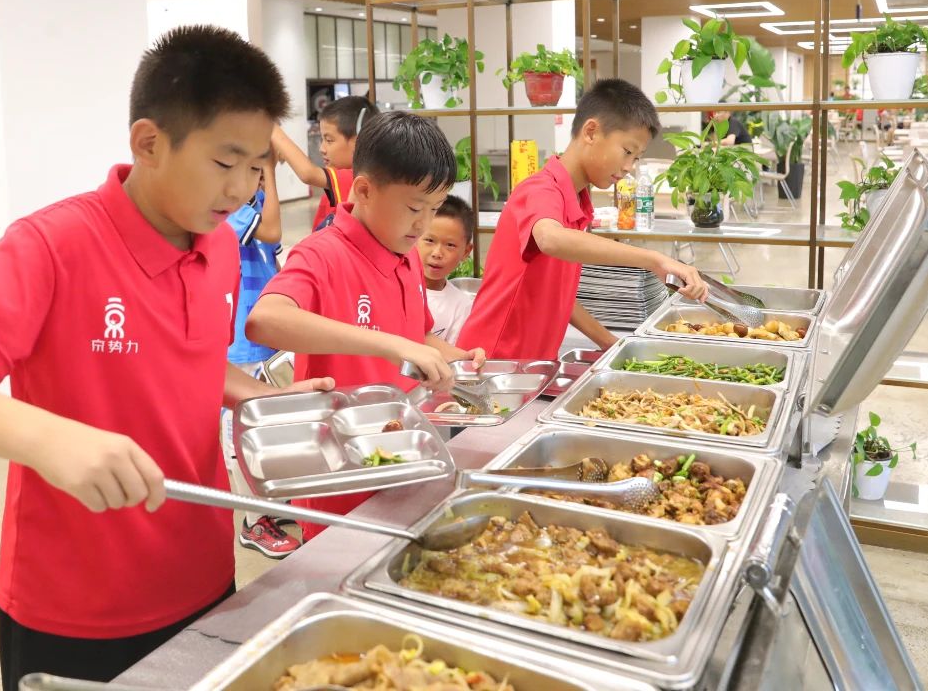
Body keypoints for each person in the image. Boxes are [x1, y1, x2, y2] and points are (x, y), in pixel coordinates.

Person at [0, 25, 332, 691]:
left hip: (201, 571)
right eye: (225, 164)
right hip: (76, 603)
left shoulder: (220, 245)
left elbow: (191, 359)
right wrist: (48, 438)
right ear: (149, 142)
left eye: (257, 167)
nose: (242, 189)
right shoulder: (53, 245)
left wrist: (259, 395)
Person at [246, 113, 486, 539]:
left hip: (403, 460)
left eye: (433, 209)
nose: (423, 225)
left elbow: (416, 335)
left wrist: (457, 359)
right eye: (414, 208)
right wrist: (389, 344)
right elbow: (265, 321)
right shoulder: (322, 254)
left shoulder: (406, 255)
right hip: (341, 480)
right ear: (363, 190)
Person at [457, 78, 708, 360]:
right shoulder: (540, 189)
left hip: (532, 364)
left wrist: (609, 342)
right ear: (590, 132)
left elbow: (558, 296)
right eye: (627, 151)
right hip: (489, 359)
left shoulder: (578, 202)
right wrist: (654, 260)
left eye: (637, 158)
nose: (629, 167)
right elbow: (550, 238)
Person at [221, 155, 300, 558]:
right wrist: (268, 167)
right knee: (240, 430)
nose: (259, 178)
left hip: (262, 337)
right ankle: (253, 521)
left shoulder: (254, 206)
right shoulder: (230, 212)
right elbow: (272, 231)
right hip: (239, 341)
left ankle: (269, 503)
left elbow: (274, 253)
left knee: (268, 426)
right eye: (253, 169)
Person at [271, 95, 380, 231]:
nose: (322, 149)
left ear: (359, 142)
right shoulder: (331, 191)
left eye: (329, 140)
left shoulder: (358, 179)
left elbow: (308, 174)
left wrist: (271, 125)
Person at [419, 194, 476, 344]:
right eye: (429, 240)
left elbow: (452, 354)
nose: (437, 253)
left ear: (466, 252)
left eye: (450, 245)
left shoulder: (462, 306)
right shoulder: (396, 288)